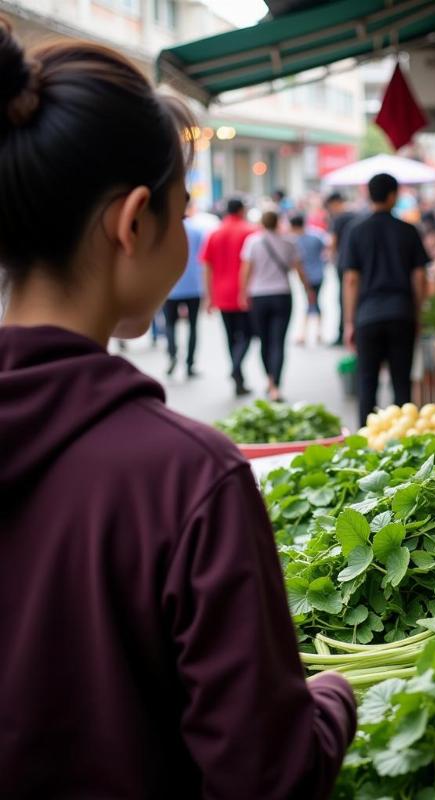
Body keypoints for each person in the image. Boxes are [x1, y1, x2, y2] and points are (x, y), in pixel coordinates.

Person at [0, 20, 356, 798]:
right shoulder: (189, 479)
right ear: (134, 223)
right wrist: (334, 698)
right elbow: (271, 776)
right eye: (180, 205)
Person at [342, 172, 429, 426]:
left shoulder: (355, 231)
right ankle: (404, 446)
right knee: (402, 384)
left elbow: (350, 280)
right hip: (402, 314)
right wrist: (419, 312)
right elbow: (420, 277)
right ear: (393, 196)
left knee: (366, 383)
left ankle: (365, 447)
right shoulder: (408, 230)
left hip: (367, 316)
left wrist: (349, 322)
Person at [240, 210, 309, 401]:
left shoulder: (252, 242)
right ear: (278, 222)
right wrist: (308, 291)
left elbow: (246, 270)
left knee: (264, 341)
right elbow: (299, 270)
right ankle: (276, 385)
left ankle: (269, 381)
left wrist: (242, 293)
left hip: (259, 296)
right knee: (278, 342)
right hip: (282, 295)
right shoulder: (288, 243)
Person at [200, 197, 256, 396]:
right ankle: (236, 368)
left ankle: (237, 374)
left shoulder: (215, 233)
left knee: (230, 336)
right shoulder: (251, 231)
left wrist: (208, 296)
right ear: (241, 210)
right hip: (245, 292)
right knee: (248, 334)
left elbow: (207, 266)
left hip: (221, 294)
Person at [162, 202, 216, 378]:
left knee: (170, 324)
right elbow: (203, 261)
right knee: (193, 326)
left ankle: (172, 355)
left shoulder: (165, 232)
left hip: (171, 286)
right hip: (193, 286)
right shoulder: (197, 231)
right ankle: (190, 364)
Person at [325, 191, 358, 346]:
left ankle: (344, 332)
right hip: (357, 263)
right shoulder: (356, 215)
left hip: (344, 263)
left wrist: (331, 257)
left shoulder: (338, 219)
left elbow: (333, 242)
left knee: (343, 297)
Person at [290, 212, 327, 346]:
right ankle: (318, 332)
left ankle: (306, 334)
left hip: (306, 276)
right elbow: (327, 250)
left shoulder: (294, 240)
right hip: (318, 274)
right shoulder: (317, 235)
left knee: (311, 302)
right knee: (315, 301)